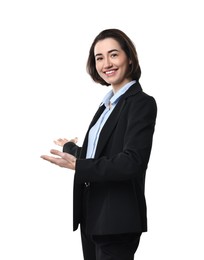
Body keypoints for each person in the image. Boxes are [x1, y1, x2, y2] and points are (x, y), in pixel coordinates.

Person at [41, 28, 157, 260]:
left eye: (113, 54)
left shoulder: (141, 103)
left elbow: (131, 162)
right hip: (92, 215)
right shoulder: (106, 107)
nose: (106, 63)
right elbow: (100, 154)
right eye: (99, 57)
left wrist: (78, 166)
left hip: (116, 220)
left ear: (130, 58)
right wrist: (72, 150)